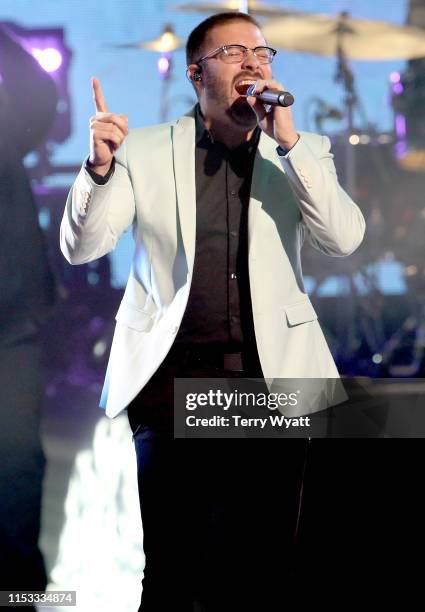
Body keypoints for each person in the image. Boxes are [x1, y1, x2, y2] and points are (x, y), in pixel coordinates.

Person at [60, 11, 365, 611]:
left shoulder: (301, 152)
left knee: (265, 570)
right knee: (174, 572)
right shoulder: (142, 149)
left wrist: (294, 143)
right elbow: (82, 247)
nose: (254, 63)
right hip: (174, 383)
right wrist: (97, 170)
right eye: (235, 53)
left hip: (269, 381)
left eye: (263, 53)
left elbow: (344, 240)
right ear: (197, 73)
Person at [0, 24, 57, 599]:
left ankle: (20, 597)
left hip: (7, 332)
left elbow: (41, 97)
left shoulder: (5, 130)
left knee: (16, 473)